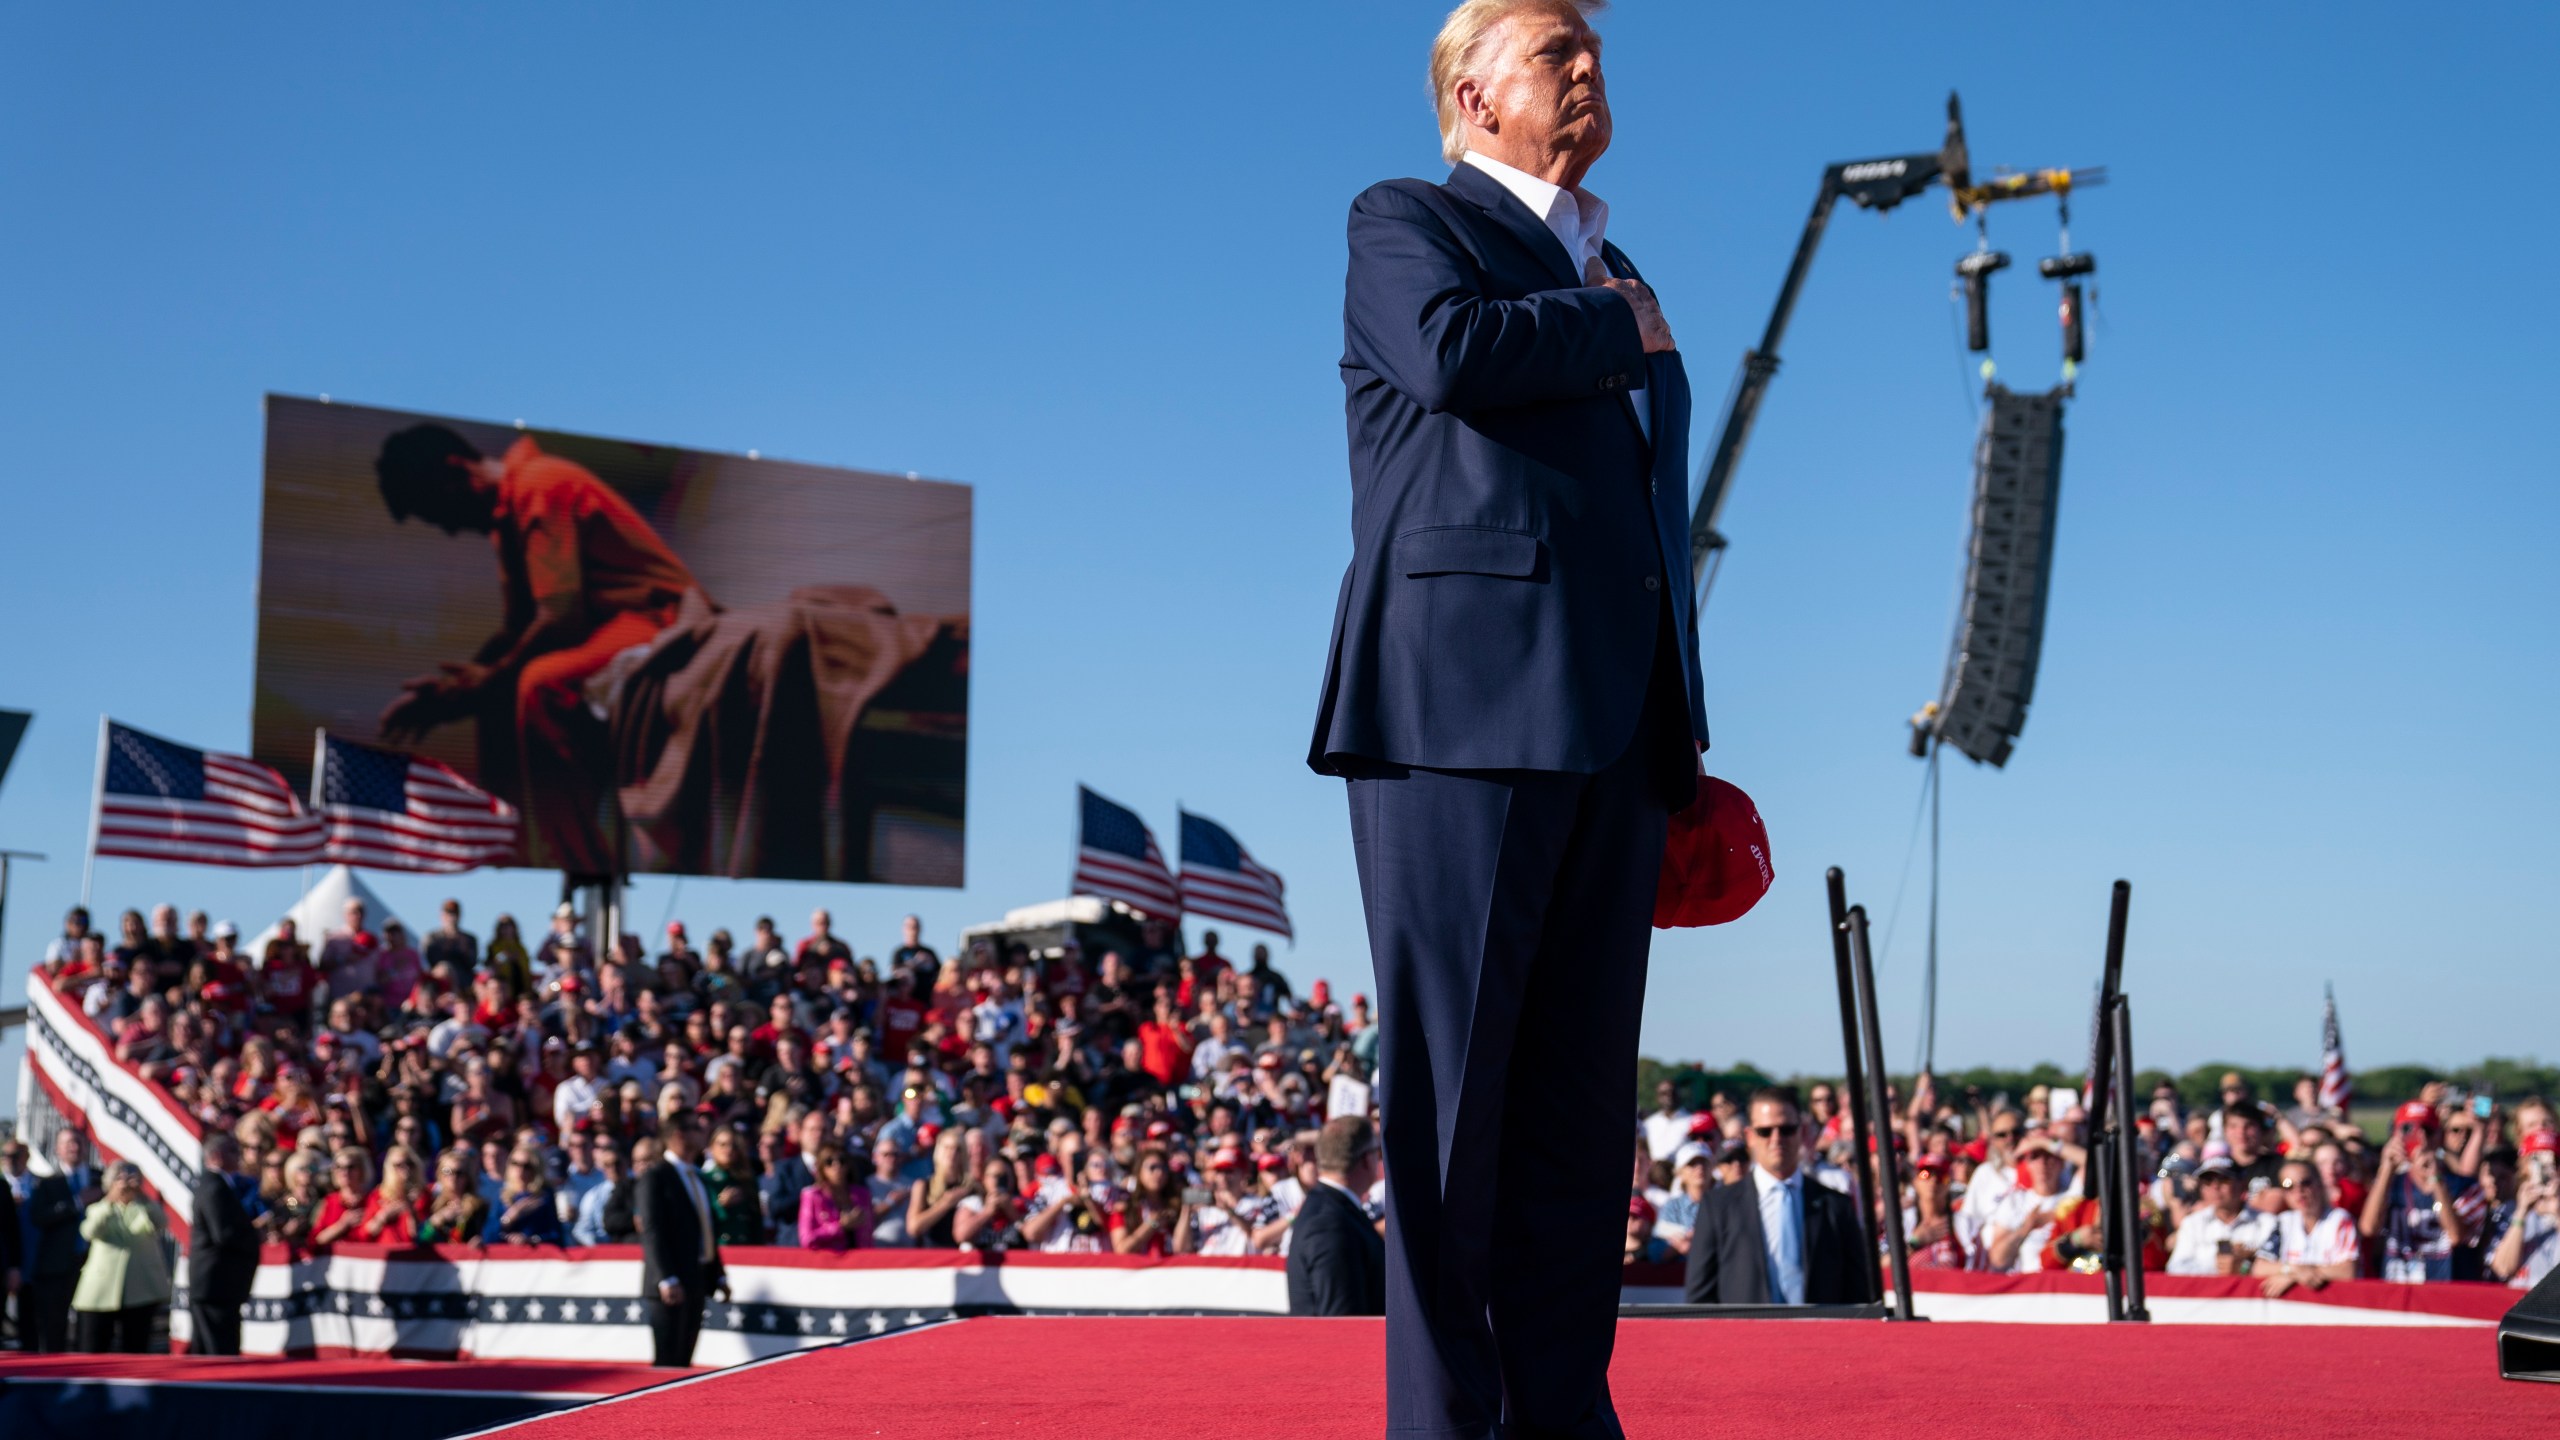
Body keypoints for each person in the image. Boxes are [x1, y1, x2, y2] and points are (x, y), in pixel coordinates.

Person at [1308, 3, 1705, 1430]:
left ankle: (1560, 1416)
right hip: (1456, 720)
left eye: (1598, 52)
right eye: (1558, 52)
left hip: (1613, 735)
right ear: (1474, 92)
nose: (1591, 70)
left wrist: (1686, 732)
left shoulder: (1622, 263)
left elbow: (1653, 520)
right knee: (1454, 1123)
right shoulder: (1406, 217)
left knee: (1579, 1135)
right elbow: (1450, 356)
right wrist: (1612, 320)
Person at [372, 423, 701, 872]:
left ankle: (585, 856)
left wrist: (486, 680)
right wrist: (458, 688)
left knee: (540, 684)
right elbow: (521, 629)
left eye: (437, 510)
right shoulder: (506, 516)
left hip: (661, 620)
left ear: (455, 471)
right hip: (607, 627)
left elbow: (560, 617)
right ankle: (530, 846)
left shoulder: (539, 485)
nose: (449, 529)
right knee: (501, 692)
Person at [1683, 1089, 1867, 1304]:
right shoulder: (1717, 1207)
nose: (1776, 1139)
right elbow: (1699, 1300)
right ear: (1749, 1136)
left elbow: (1858, 1296)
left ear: (1803, 1132)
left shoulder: (1836, 1206)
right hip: (1743, 1336)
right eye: (1765, 1131)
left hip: (1819, 1334)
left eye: (1787, 1129)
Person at [636, 1114, 725, 1367]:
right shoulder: (656, 1176)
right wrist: (666, 1277)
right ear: (679, 1134)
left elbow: (704, 1228)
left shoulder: (696, 1175)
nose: (703, 1133)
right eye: (696, 1128)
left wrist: (717, 1273)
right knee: (667, 1361)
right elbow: (653, 1230)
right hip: (671, 1283)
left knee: (684, 1362)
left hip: (696, 1277)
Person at [1286, 1116, 1386, 1316]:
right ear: (1367, 1160)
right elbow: (1342, 1322)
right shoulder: (1330, 1224)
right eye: (1377, 1152)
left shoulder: (1332, 1209)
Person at [73, 1162, 170, 1353]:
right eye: (119, 1178)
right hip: (101, 1290)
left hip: (140, 1288)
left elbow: (161, 1222)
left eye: (129, 1178)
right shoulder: (99, 1208)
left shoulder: (144, 1207)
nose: (124, 1184)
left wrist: (141, 1196)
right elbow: (89, 1231)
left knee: (136, 1346)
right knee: (94, 1346)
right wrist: (110, 1199)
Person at [25, 1130, 99, 1352]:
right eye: (67, 1143)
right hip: (57, 1266)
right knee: (54, 1327)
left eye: (78, 1142)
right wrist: (77, 1202)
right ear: (57, 1149)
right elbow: (38, 1217)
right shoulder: (47, 1183)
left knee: (91, 1330)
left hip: (96, 1265)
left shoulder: (101, 1179)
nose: (74, 1147)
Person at [188, 1134, 261, 1355]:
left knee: (206, 1348)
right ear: (217, 1156)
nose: (239, 1157)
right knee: (218, 1350)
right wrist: (255, 1234)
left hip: (215, 1284)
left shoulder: (215, 1185)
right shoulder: (214, 1187)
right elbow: (224, 1233)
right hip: (217, 1283)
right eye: (234, 1152)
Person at [2257, 1159, 2360, 1298]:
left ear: (2319, 1183)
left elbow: (2347, 1271)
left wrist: (2295, 1276)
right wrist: (2294, 1270)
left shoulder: (2340, 1219)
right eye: (2288, 1185)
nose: (2298, 1191)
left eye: (2306, 1182)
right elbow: (2259, 1267)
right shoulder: (2284, 1221)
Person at [2164, 1155, 2277, 1276]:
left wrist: (2244, 1267)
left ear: (2242, 1185)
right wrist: (2217, 1267)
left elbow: (2276, 1265)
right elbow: (2175, 1268)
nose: (2215, 1187)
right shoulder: (2192, 1223)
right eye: (2207, 1181)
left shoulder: (2267, 1222)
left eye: (2224, 1180)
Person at [796, 1142, 874, 1252]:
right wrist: (840, 1226)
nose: (837, 1166)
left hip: (858, 1261)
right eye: (829, 1161)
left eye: (842, 1161)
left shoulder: (862, 1194)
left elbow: (868, 1236)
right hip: (827, 1262)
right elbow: (807, 1239)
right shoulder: (812, 1195)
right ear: (822, 1167)